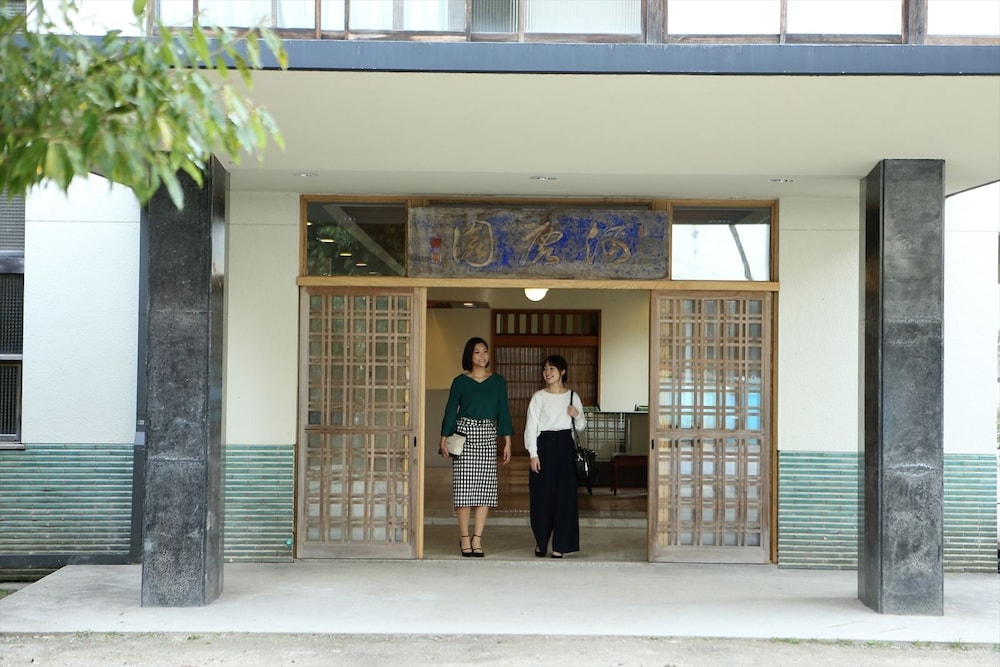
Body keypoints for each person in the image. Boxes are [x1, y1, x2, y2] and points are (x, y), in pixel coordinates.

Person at [439, 337, 513, 557]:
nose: (482, 356)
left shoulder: (498, 381)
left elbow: (504, 411)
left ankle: (477, 538)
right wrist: (443, 437)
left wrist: (507, 440)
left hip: (488, 435)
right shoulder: (460, 381)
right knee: (464, 489)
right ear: (469, 356)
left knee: (485, 489)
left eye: (485, 352)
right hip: (465, 434)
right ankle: (464, 538)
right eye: (477, 352)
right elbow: (451, 410)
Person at [523, 354, 586, 558]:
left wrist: (576, 415)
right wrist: (533, 454)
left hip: (565, 448)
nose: (547, 373)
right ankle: (541, 542)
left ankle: (561, 545)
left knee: (565, 498)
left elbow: (582, 427)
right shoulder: (538, 397)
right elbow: (531, 427)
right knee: (541, 496)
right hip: (544, 447)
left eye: (552, 369)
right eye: (545, 369)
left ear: (562, 372)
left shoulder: (572, 396)